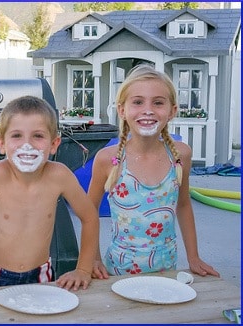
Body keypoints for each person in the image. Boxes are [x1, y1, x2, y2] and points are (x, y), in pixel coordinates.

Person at [0, 95, 100, 305]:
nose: (27, 145)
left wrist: (83, 269)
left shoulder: (59, 176)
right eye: (16, 135)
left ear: (54, 144)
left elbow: (90, 218)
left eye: (38, 136)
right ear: (1, 143)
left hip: (42, 275)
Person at [88, 65, 220, 279]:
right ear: (122, 110)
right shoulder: (108, 159)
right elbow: (88, 211)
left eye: (158, 102)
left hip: (167, 269)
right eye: (138, 102)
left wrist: (194, 257)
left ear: (172, 111)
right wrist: (92, 259)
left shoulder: (180, 155)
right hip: (117, 272)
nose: (148, 109)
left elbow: (184, 205)